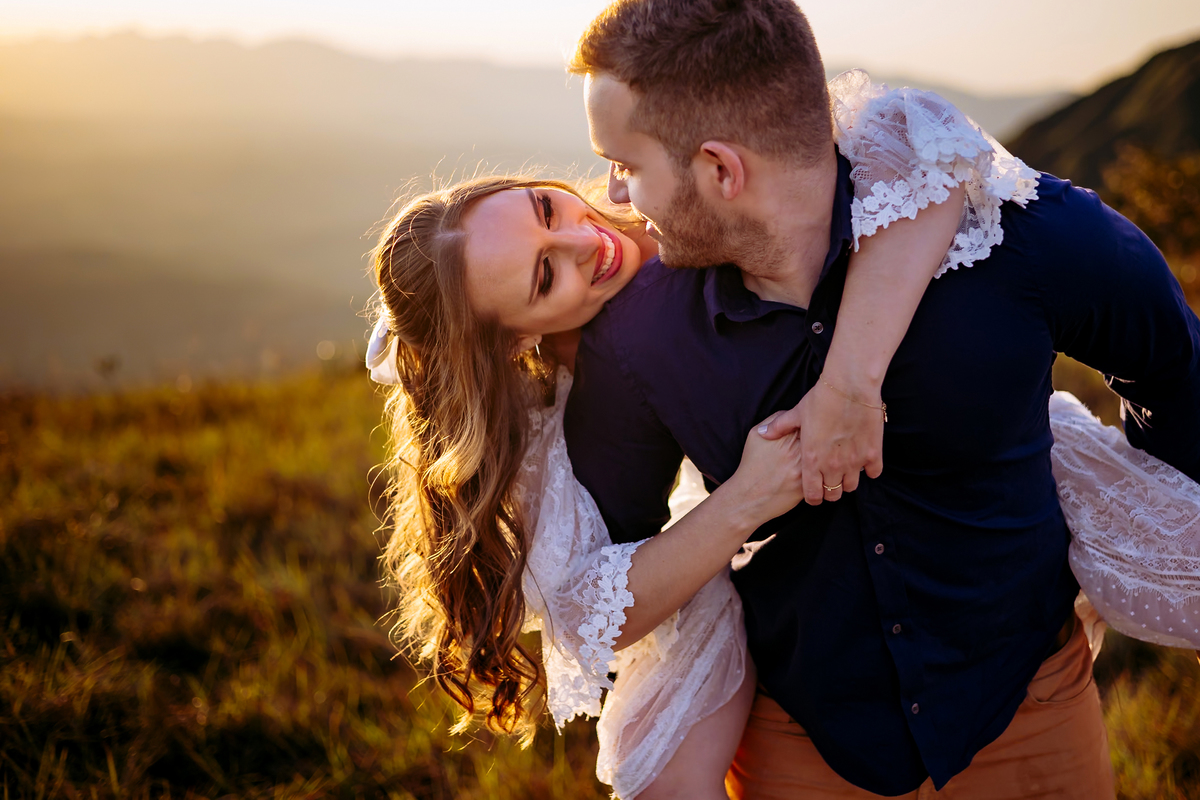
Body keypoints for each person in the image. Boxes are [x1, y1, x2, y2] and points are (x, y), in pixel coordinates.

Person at [368, 73, 1200, 800]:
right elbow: (585, 606)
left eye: (549, 208)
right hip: (782, 673)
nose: (590, 239)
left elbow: (927, 150)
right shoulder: (607, 365)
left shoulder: (719, 205)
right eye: (547, 275)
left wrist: (848, 382)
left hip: (1019, 688)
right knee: (670, 753)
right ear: (518, 342)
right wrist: (745, 501)